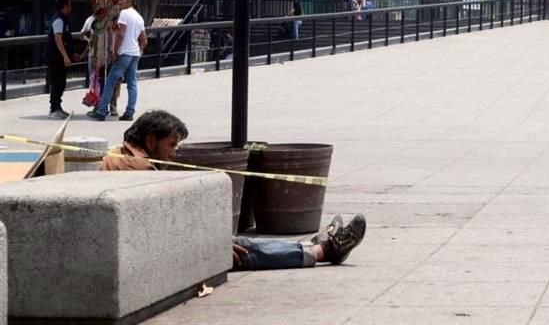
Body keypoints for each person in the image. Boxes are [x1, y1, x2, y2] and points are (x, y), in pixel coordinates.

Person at [99, 111, 366, 270]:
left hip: (145, 248)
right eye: (171, 145)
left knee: (240, 243)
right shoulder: (138, 168)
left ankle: (315, 245)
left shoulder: (120, 154)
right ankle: (324, 251)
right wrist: (210, 243)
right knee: (245, 252)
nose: (174, 152)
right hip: (151, 256)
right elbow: (162, 228)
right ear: (150, 140)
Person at [88, 0, 146, 121]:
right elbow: (144, 39)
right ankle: (130, 112)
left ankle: (102, 110)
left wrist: (115, 51)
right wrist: (139, 50)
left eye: (122, 0)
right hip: (134, 53)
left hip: (124, 52)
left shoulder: (124, 14)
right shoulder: (139, 17)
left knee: (110, 81)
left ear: (129, 1)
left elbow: (121, 34)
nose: (120, 2)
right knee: (132, 83)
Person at [46, 0, 80, 119]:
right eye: (70, 4)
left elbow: (67, 39)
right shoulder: (59, 19)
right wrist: (65, 56)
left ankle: (58, 107)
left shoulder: (64, 19)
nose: (71, 7)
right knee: (57, 82)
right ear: (65, 6)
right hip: (55, 57)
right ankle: (54, 108)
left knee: (61, 82)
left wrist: (72, 54)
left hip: (60, 56)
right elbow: (58, 39)